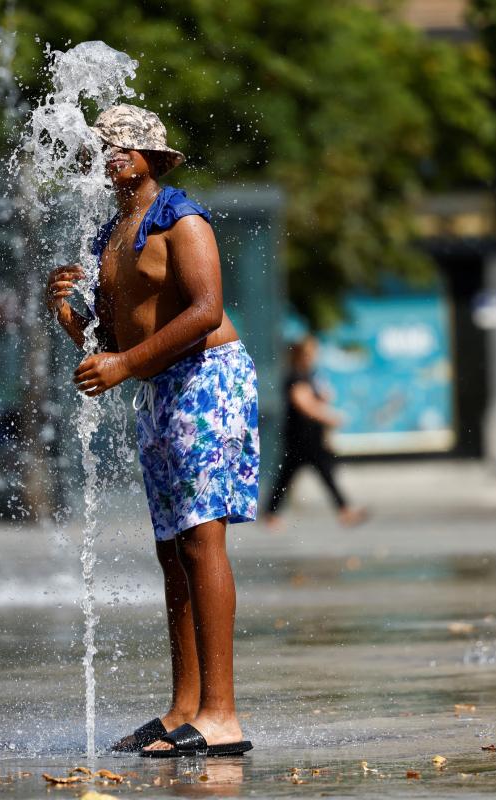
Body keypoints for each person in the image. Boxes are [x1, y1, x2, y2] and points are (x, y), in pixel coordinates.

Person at [46, 104, 258, 757]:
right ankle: (184, 707)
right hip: (163, 387)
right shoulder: (114, 231)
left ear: (149, 159)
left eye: (120, 147)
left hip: (208, 380)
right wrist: (68, 316)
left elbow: (205, 310)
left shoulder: (181, 219)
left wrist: (126, 365)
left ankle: (222, 714)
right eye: (101, 147)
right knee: (172, 550)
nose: (108, 157)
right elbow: (113, 339)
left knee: (200, 540)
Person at [262, 336, 367, 530]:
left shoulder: (310, 375)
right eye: (310, 353)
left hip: (311, 437)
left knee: (311, 474)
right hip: (301, 437)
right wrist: (329, 417)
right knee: (291, 475)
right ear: (301, 355)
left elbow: (316, 398)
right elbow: (304, 404)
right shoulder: (296, 376)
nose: (313, 357)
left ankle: (271, 513)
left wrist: (324, 397)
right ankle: (270, 513)